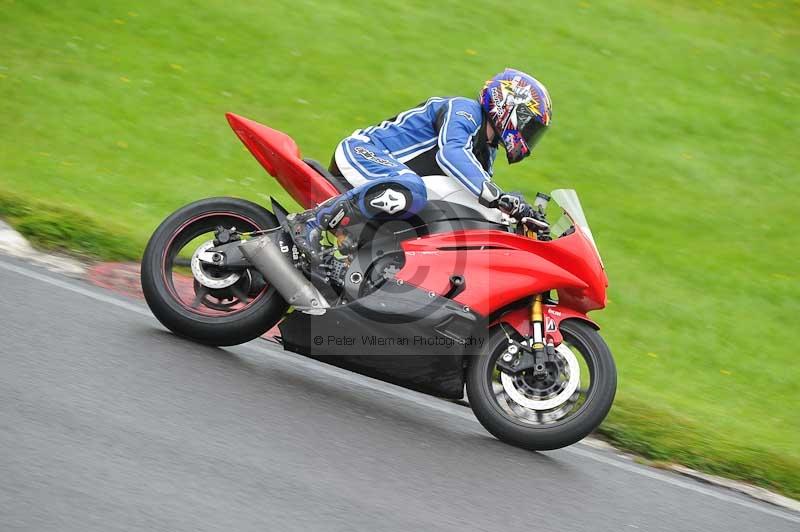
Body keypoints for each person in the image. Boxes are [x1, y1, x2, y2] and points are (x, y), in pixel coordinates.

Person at [286, 68, 553, 264]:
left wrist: (514, 216)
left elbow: (475, 200)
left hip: (393, 181)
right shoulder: (464, 110)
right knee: (411, 188)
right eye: (529, 125)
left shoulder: (487, 151)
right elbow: (452, 154)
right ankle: (310, 223)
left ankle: (355, 262)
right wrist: (499, 197)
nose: (529, 136)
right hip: (364, 152)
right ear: (509, 108)